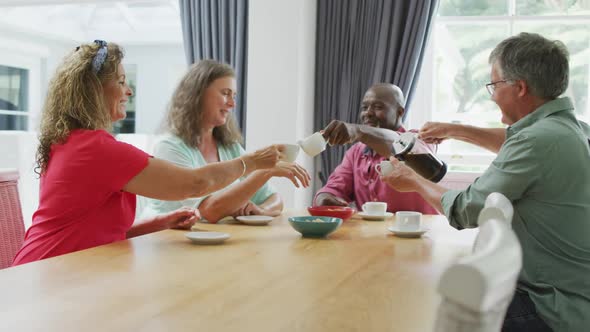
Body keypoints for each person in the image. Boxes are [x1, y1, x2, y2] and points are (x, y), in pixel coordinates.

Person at [381, 33, 590, 332]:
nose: (491, 95)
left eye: (494, 85)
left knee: (426, 305)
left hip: (551, 305)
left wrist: (412, 180)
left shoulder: (536, 141)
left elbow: (466, 209)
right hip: (577, 294)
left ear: (520, 88)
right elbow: (518, 140)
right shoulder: (571, 128)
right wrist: (456, 130)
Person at [12, 41, 284, 266]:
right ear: (94, 91)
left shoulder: (70, 142)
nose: (129, 90)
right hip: (49, 273)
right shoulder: (96, 149)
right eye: (120, 81)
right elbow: (194, 184)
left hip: (58, 267)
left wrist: (156, 223)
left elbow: (87, 230)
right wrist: (253, 162)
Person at [141, 60, 310, 223]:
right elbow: (209, 211)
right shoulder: (169, 148)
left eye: (234, 95)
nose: (232, 103)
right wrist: (265, 171)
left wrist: (261, 210)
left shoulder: (230, 148)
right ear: (197, 95)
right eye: (225, 93)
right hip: (167, 243)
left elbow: (274, 198)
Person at [313, 83, 437, 214]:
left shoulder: (421, 139)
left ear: (399, 112)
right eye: (364, 107)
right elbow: (334, 188)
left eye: (378, 107)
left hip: (420, 231)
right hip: (372, 233)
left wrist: (357, 131)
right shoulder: (355, 152)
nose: (368, 113)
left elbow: (402, 145)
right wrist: (324, 198)